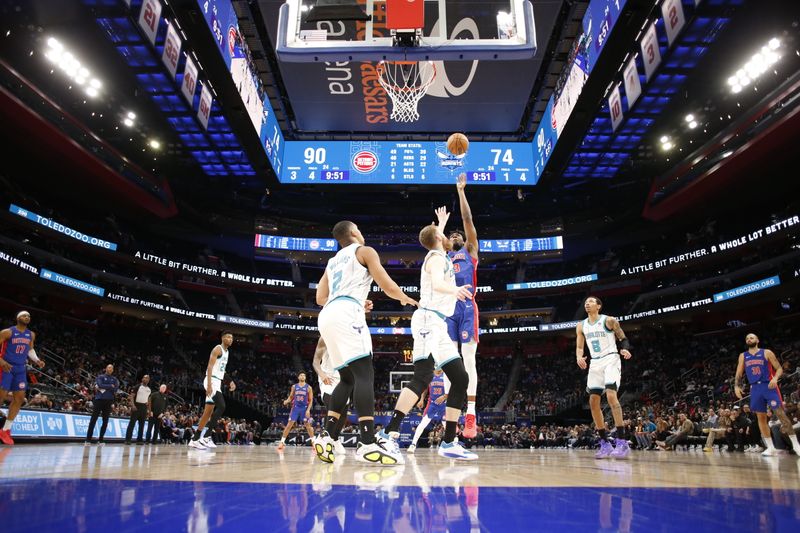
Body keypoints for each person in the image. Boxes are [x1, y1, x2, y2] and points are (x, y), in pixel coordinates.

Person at [314, 220, 417, 465]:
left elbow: (320, 298)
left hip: (327, 315)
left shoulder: (332, 261)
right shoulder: (365, 251)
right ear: (353, 233)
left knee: (347, 378)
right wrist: (406, 299)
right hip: (346, 313)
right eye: (359, 229)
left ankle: (327, 435)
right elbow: (387, 285)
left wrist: (356, 300)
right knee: (364, 375)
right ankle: (367, 441)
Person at [379, 210, 477, 461]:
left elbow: (436, 237)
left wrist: (440, 223)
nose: (447, 236)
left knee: (460, 378)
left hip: (438, 323)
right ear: (438, 239)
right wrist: (454, 290)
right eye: (443, 233)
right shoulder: (435, 258)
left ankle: (448, 442)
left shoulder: (439, 252)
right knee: (423, 377)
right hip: (428, 320)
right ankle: (389, 433)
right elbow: (435, 283)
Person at [575, 296, 633, 458]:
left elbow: (623, 338)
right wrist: (579, 357)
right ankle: (605, 443)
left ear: (598, 306)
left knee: (611, 396)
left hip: (611, 359)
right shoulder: (581, 325)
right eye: (585, 302)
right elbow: (579, 347)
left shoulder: (609, 321)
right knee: (593, 402)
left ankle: (622, 442)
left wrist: (625, 349)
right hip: (595, 362)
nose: (587, 303)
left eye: (591, 301)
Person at [446, 174, 480, 439]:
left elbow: (467, 220)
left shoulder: (469, 251)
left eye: (458, 234)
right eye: (451, 234)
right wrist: (441, 226)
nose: (455, 235)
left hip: (467, 307)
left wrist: (461, 192)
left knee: (468, 358)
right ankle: (451, 415)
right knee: (449, 359)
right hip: (447, 309)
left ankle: (470, 414)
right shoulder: (441, 257)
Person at [734, 333, 800, 456]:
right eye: (747, 338)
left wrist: (775, 378)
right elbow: (739, 372)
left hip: (769, 386)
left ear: (757, 340)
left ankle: (796, 445)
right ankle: (770, 447)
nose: (749, 339)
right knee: (761, 418)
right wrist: (736, 386)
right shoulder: (743, 356)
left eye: (752, 337)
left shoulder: (766, 352)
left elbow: (779, 368)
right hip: (755, 388)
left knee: (781, 414)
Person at [0, 311, 44, 445]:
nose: (27, 317)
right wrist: (0, 360)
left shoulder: (31, 334)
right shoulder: (7, 332)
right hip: (6, 367)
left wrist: (37, 360)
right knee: (1, 397)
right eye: (24, 315)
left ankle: (5, 430)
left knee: (19, 399)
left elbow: (30, 350)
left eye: (29, 316)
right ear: (18, 318)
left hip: (20, 369)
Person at [189, 331, 236, 450]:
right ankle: (207, 436)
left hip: (217, 382)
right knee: (222, 406)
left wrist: (230, 381)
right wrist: (209, 385)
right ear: (222, 338)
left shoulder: (227, 352)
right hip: (211, 381)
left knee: (208, 413)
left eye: (232, 337)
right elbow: (210, 367)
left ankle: (195, 439)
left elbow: (222, 370)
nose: (230, 339)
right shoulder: (217, 349)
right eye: (228, 337)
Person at [311, 336, 349, 456]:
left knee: (343, 412)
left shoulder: (349, 338)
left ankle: (335, 439)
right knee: (332, 404)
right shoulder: (325, 337)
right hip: (327, 376)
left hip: (342, 379)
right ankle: (324, 438)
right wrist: (322, 375)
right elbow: (316, 362)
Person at [407, 368, 449, 453]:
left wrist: (444, 396)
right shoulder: (430, 375)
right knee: (422, 424)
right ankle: (413, 444)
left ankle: (452, 443)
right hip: (432, 404)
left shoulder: (447, 375)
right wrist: (421, 399)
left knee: (447, 425)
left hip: (444, 404)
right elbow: (425, 389)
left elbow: (453, 390)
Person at [277, 372, 315, 450]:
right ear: (298, 377)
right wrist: (287, 401)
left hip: (304, 408)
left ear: (305, 377)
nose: (303, 376)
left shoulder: (309, 387)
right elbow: (291, 397)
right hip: (295, 408)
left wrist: (308, 410)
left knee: (308, 425)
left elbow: (310, 401)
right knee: (289, 424)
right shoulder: (294, 386)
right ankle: (282, 442)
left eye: (304, 375)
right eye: (301, 375)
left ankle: (313, 442)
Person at [84, 364, 119, 446]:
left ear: (113, 370)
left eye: (111, 368)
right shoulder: (100, 377)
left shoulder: (114, 379)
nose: (110, 369)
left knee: (105, 421)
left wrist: (106, 386)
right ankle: (88, 439)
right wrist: (110, 386)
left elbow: (116, 389)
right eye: (109, 367)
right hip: (99, 400)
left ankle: (101, 439)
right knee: (93, 420)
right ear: (106, 368)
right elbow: (100, 385)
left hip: (109, 401)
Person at [125, 374, 151, 445]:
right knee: (132, 424)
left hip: (144, 407)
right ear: (142, 379)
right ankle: (127, 439)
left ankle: (139, 440)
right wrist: (132, 405)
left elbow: (148, 400)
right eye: (145, 378)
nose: (146, 379)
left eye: (147, 378)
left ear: (149, 380)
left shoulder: (149, 389)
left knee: (142, 425)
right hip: (136, 406)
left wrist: (149, 410)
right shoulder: (137, 386)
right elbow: (132, 396)